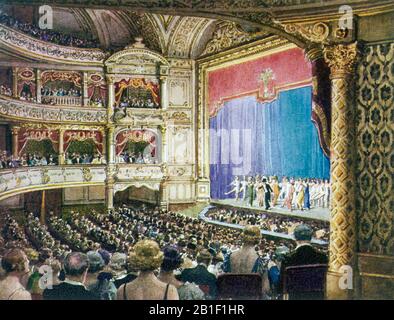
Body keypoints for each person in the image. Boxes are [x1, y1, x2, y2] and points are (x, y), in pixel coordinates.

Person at [279, 224, 328, 299]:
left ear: (295, 238)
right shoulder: (323, 257)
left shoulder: (288, 259)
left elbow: (281, 287)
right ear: (311, 238)